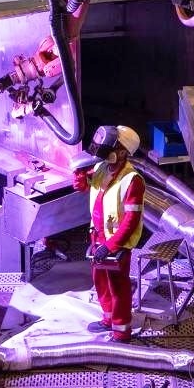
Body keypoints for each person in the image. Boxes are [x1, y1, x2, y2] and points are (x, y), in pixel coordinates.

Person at [70, 125, 145, 342]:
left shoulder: (133, 180)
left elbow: (131, 220)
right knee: (100, 279)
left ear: (123, 151)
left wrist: (111, 245)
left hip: (116, 242)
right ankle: (108, 317)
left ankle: (121, 331)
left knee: (118, 284)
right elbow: (89, 187)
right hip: (97, 236)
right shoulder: (102, 167)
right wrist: (81, 180)